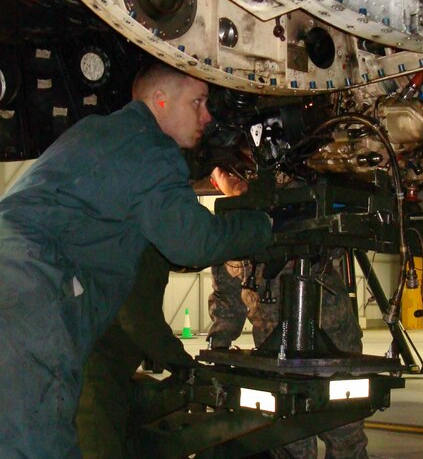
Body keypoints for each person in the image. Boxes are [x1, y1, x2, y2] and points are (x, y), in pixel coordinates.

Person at [0, 64, 272, 459]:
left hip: (18, 275)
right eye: (197, 102)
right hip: (34, 291)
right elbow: (192, 242)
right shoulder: (151, 147)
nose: (207, 116)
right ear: (159, 101)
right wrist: (262, 225)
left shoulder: (99, 131)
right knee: (35, 441)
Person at [76, 167, 248, 459]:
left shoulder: (136, 232)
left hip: (106, 371)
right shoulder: (140, 246)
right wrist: (186, 367)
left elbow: (187, 257)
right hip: (92, 377)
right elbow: (139, 320)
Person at [208, 254, 369, 459]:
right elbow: (227, 287)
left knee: (344, 431)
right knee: (291, 437)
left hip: (332, 339)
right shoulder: (249, 234)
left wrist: (220, 342)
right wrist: (219, 345)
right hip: (281, 348)